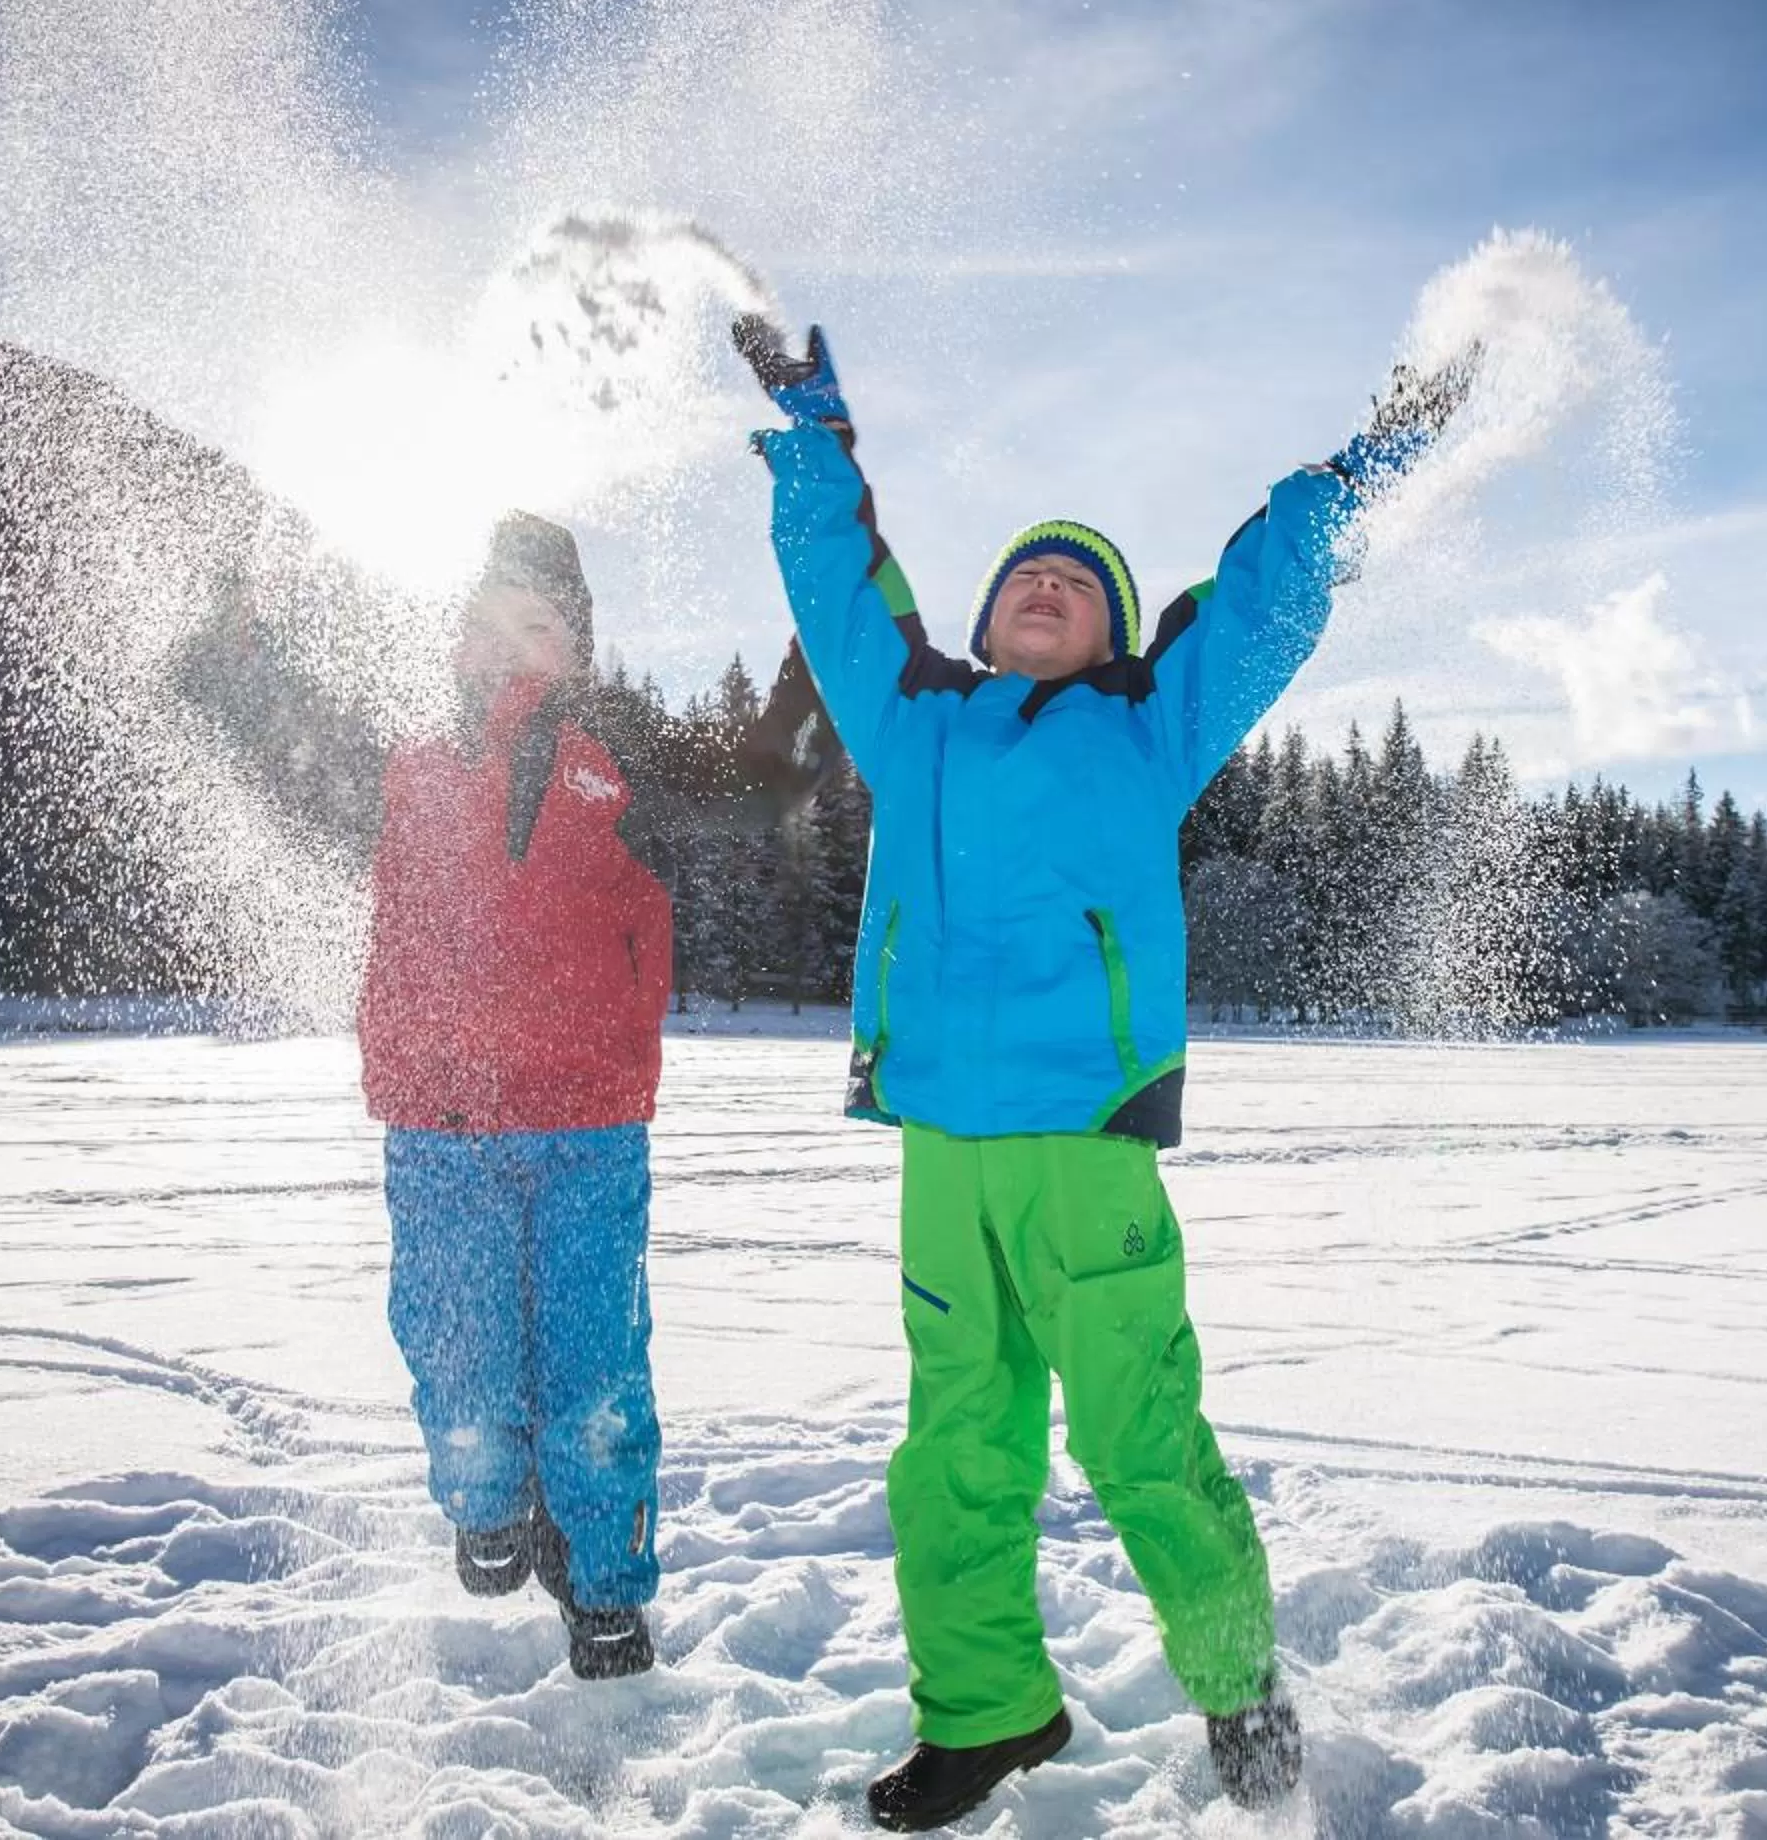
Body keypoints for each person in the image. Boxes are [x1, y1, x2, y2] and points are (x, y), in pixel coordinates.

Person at [734, 315, 1473, 1831]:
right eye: (1025, 574)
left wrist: (1365, 462)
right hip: (943, 1141)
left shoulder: (1150, 726)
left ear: (1119, 636)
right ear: (989, 619)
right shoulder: (912, 718)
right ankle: (988, 1710)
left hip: (1084, 1137)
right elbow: (835, 586)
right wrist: (814, 434)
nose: (1048, 584)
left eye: (1082, 580)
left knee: (1138, 1429)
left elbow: (1263, 601)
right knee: (957, 1443)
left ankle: (1236, 1684)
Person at [357, 510, 672, 1680]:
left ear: (579, 648)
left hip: (589, 1128)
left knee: (595, 1375)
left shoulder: (626, 762)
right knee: (461, 1365)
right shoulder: (403, 758)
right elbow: (258, 735)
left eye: (540, 625)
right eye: (491, 623)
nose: (513, 648)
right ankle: (489, 1507)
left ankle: (604, 1586)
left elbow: (769, 777)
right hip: (439, 1131)